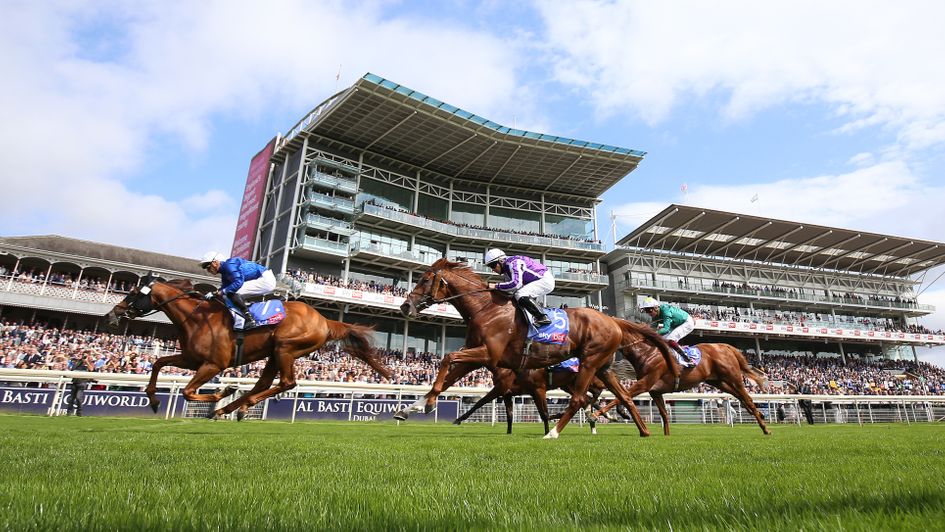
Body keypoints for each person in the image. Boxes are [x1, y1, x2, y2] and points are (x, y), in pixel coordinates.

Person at [199, 251, 277, 328]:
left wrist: (221, 292)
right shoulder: (225, 272)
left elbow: (238, 282)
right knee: (227, 294)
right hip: (262, 278)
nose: (208, 271)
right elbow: (224, 288)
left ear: (215, 262)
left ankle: (249, 319)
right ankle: (244, 318)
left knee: (231, 293)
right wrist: (213, 294)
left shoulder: (229, 266)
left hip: (265, 280)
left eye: (208, 267)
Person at [484, 248, 554, 327]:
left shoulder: (513, 263)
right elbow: (509, 290)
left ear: (501, 261)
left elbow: (516, 284)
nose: (493, 269)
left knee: (520, 294)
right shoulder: (506, 271)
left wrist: (496, 286)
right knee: (516, 296)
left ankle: (542, 317)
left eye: (492, 265)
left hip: (545, 280)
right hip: (534, 281)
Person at [639, 297, 695, 364]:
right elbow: (652, 328)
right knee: (661, 339)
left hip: (687, 322)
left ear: (656, 308)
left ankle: (687, 359)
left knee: (670, 339)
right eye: (646, 310)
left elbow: (666, 329)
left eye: (649, 310)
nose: (648, 313)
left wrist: (653, 333)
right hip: (676, 324)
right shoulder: (655, 315)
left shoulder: (666, 311)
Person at [66, 350, 96, 416]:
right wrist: (79, 361)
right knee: (71, 398)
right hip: (75, 381)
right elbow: (72, 369)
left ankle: (79, 412)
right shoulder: (78, 362)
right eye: (83, 355)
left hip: (82, 382)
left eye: (86, 356)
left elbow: (91, 369)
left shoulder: (90, 363)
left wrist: (86, 361)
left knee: (78, 397)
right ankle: (69, 412)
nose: (84, 357)